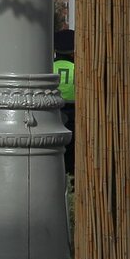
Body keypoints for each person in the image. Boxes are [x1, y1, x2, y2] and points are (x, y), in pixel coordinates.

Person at [53, 29, 75, 175]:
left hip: (53, 113)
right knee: (71, 153)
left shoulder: (48, 67)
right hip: (73, 114)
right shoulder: (77, 68)